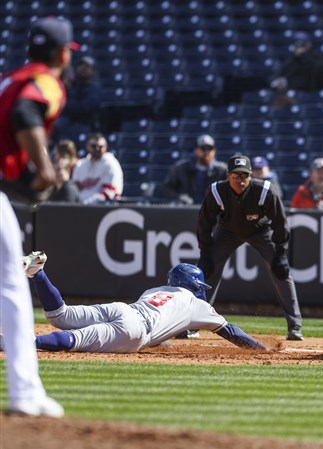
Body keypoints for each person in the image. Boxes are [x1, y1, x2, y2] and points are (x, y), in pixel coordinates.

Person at [0, 16, 77, 418]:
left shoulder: (8, 78)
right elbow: (28, 113)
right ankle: (25, 393)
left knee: (10, 281)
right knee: (11, 285)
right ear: (63, 54)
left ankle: (27, 392)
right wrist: (44, 168)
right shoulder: (46, 80)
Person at [23, 252, 267, 353]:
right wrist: (261, 350)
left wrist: (164, 341)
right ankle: (24, 344)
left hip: (123, 308)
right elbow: (231, 331)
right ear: (193, 285)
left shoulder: (156, 289)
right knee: (77, 340)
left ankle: (38, 274)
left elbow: (167, 319)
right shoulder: (196, 304)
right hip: (135, 330)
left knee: (60, 315)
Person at [196, 155, 304, 340]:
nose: (241, 180)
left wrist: (281, 252)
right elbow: (204, 224)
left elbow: (280, 221)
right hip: (227, 231)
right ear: (228, 175)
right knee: (207, 270)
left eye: (245, 175)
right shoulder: (216, 191)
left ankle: (295, 326)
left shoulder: (264, 190)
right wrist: (205, 251)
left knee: (281, 272)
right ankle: (194, 323)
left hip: (260, 230)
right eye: (236, 175)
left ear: (251, 175)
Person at [162, 134, 227, 205]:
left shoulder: (222, 170)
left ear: (214, 151)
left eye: (209, 149)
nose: (206, 152)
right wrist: (179, 198)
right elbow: (167, 187)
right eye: (203, 148)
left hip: (213, 212)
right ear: (196, 150)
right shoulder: (181, 168)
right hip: (187, 210)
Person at [55, 55, 101, 136]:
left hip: (85, 123)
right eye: (81, 65)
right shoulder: (69, 85)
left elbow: (86, 107)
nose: (83, 68)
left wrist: (66, 105)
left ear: (93, 71)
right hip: (65, 121)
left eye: (87, 67)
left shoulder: (94, 89)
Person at [71, 132, 123, 203]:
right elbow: (74, 189)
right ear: (87, 146)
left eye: (101, 146)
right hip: (80, 207)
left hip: (103, 208)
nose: (97, 149)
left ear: (106, 147)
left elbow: (109, 193)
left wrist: (86, 203)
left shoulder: (111, 164)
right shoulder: (80, 164)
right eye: (94, 146)